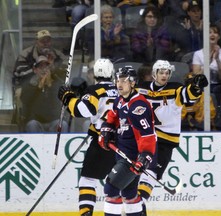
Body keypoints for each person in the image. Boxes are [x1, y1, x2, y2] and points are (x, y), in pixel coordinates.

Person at [136, 60, 208, 214]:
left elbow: (188, 96)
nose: (164, 75)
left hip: (166, 141)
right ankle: (138, 206)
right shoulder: (141, 88)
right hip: (146, 138)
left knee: (152, 173)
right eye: (161, 72)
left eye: (167, 73)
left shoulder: (175, 89)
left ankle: (138, 204)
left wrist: (196, 87)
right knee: (147, 172)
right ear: (154, 73)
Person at [57, 58, 118, 216]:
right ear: (111, 73)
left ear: (95, 73)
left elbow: (82, 111)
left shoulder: (94, 90)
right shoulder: (122, 88)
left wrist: (68, 98)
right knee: (121, 183)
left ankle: (86, 213)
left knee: (88, 180)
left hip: (103, 142)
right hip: (124, 143)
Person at [98, 66, 157, 216]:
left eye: (124, 81)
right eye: (118, 80)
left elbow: (148, 136)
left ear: (132, 83)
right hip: (122, 153)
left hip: (133, 157)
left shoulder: (138, 106)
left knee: (111, 189)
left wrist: (144, 158)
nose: (119, 84)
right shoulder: (120, 100)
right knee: (129, 194)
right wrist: (106, 129)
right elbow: (113, 116)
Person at [20, 55, 68, 132]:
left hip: (53, 121)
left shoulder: (56, 84)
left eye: (46, 67)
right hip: (36, 122)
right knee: (32, 125)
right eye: (40, 67)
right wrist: (39, 86)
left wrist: (50, 84)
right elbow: (25, 101)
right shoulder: (28, 85)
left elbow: (61, 101)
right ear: (35, 70)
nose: (44, 70)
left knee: (63, 124)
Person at [192, 24, 221, 93]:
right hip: (202, 87)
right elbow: (196, 79)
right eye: (209, 32)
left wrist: (217, 59)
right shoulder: (197, 54)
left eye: (215, 32)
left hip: (219, 87)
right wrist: (208, 62)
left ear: (219, 37)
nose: (212, 35)